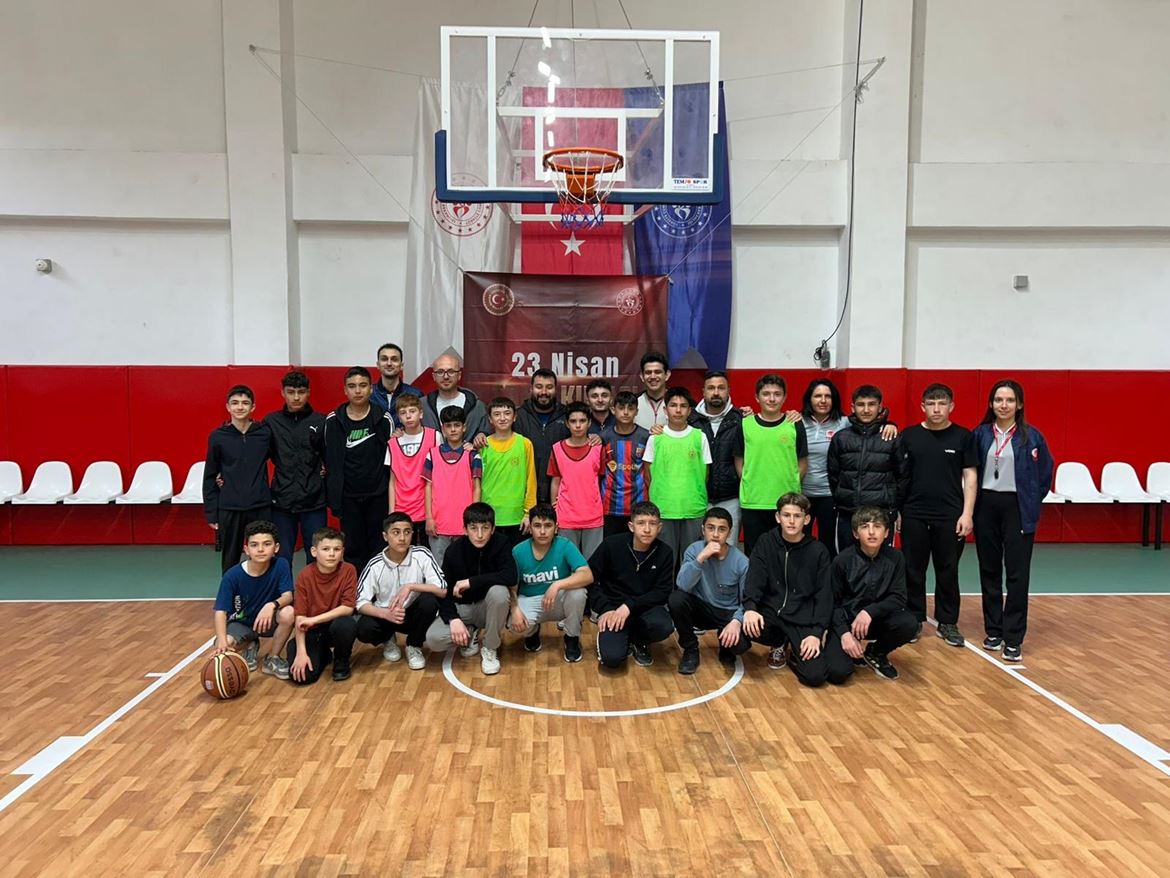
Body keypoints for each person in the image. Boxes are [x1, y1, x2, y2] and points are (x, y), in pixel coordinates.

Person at [972, 379, 1054, 663]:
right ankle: (994, 630)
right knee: (989, 570)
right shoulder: (980, 434)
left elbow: (1044, 475)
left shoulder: (1032, 437)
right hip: (986, 506)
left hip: (1017, 508)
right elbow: (969, 471)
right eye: (998, 400)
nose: (1003, 405)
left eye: (1009, 400)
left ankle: (1014, 637)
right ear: (991, 404)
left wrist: (1029, 500)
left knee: (1017, 574)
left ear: (1019, 404)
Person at [894, 383, 977, 647]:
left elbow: (970, 477)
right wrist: (898, 511)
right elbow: (899, 477)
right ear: (923, 406)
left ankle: (948, 622)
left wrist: (967, 513)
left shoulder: (963, 437)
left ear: (951, 406)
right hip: (914, 513)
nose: (937, 409)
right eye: (931, 404)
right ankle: (914, 619)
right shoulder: (908, 436)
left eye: (942, 404)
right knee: (912, 569)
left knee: (948, 570)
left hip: (950, 515)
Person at [742, 493, 851, 686]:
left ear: (807, 519)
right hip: (771, 612)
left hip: (802, 619)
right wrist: (750, 608)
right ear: (778, 517)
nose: (791, 521)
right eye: (786, 515)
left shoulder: (818, 551)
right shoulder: (766, 542)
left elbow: (824, 595)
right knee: (737, 637)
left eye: (797, 516)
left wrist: (816, 633)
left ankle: (795, 650)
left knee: (815, 676)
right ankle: (779, 642)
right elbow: (755, 578)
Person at [424, 502, 515, 676]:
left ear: (493, 529)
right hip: (462, 608)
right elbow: (443, 590)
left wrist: (471, 582)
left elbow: (510, 576)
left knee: (499, 592)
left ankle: (490, 647)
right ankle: (470, 631)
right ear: (465, 530)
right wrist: (453, 619)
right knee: (434, 639)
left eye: (485, 528)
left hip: (486, 608)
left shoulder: (501, 543)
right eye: (473, 528)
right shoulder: (453, 551)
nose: (479, 535)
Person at [831, 507, 918, 680]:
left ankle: (876, 652)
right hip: (848, 622)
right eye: (865, 527)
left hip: (876, 619)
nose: (871, 532)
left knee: (908, 623)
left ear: (886, 533)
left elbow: (899, 597)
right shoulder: (842, 561)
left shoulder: (896, 558)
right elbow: (832, 603)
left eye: (877, 526)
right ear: (855, 534)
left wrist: (869, 612)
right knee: (837, 672)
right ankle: (849, 647)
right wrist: (844, 633)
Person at [352, 512, 446, 671]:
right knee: (364, 628)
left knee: (430, 601)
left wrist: (411, 586)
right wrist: (386, 614)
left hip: (413, 614)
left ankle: (413, 645)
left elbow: (442, 589)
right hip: (386, 614)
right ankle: (388, 638)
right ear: (385, 536)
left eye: (407, 532)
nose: (402, 538)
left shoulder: (421, 554)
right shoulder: (375, 565)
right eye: (396, 532)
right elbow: (360, 603)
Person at [323, 367, 395, 568]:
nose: (357, 391)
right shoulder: (333, 421)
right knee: (353, 549)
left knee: (379, 546)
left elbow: (392, 457)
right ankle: (357, 585)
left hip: (378, 495)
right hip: (348, 497)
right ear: (345, 390)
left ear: (371, 389)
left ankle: (378, 584)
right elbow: (328, 458)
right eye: (352, 386)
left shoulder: (383, 419)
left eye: (362, 385)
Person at [589, 501, 675, 668]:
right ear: (631, 526)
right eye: (641, 523)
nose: (647, 529)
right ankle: (619, 638)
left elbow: (663, 591)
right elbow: (590, 578)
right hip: (613, 609)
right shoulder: (611, 545)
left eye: (652, 524)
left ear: (659, 527)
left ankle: (639, 640)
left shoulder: (665, 552)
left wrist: (629, 606)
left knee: (664, 625)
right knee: (612, 659)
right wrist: (604, 608)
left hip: (645, 609)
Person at [669, 506, 751, 674]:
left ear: (729, 533)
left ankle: (726, 643)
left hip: (727, 612)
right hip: (702, 609)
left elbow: (747, 599)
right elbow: (682, 585)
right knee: (676, 599)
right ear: (703, 530)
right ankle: (690, 649)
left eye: (722, 529)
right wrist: (701, 558)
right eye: (710, 528)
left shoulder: (741, 561)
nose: (715, 534)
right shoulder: (694, 550)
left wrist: (736, 621)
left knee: (740, 646)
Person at [734, 374, 808, 557]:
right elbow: (739, 461)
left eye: (777, 394)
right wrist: (750, 481)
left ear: (784, 397)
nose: (772, 399)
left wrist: (791, 483)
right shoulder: (745, 424)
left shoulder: (795, 424)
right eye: (766, 394)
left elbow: (802, 462)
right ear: (757, 397)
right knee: (755, 554)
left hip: (787, 503)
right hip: (753, 501)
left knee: (785, 554)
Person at [507, 503, 593, 663]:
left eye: (548, 526)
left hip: (558, 599)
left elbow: (587, 575)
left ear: (556, 528)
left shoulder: (565, 545)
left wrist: (557, 585)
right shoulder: (518, 551)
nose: (542, 531)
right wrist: (514, 609)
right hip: (530, 599)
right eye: (537, 526)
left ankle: (572, 638)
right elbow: (511, 586)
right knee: (514, 626)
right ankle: (532, 632)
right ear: (530, 528)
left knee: (578, 593)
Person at [211, 520, 295, 678]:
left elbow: (288, 596)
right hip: (241, 623)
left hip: (268, 621)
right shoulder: (232, 575)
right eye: (254, 545)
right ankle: (249, 644)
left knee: (289, 613)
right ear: (246, 549)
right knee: (223, 644)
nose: (261, 549)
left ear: (276, 547)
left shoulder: (281, 565)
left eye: (267, 544)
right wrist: (221, 641)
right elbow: (221, 611)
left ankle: (273, 658)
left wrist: (271, 605)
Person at [203, 384, 273, 573]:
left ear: (253, 407)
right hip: (229, 508)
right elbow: (210, 475)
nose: (240, 407)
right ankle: (230, 590)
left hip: (260, 506)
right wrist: (212, 512)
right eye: (235, 403)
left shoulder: (264, 434)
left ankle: (264, 590)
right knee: (230, 558)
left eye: (245, 403)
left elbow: (283, 460)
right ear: (228, 407)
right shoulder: (217, 437)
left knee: (263, 556)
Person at [827, 385, 904, 553]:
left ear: (880, 407)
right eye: (861, 405)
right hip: (848, 514)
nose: (866, 410)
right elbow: (833, 475)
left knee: (882, 563)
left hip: (881, 515)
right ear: (853, 407)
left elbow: (902, 477)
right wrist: (842, 498)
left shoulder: (892, 438)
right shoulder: (841, 438)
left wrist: (893, 507)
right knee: (846, 561)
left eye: (872, 404)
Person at [265, 371, 327, 568]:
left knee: (317, 553)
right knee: (282, 556)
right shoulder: (271, 422)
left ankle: (314, 589)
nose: (296, 397)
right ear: (283, 393)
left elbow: (332, 458)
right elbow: (255, 455)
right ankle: (283, 588)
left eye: (301, 392)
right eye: (291, 392)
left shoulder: (321, 421)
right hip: (282, 500)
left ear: (308, 392)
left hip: (314, 500)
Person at [642, 387, 711, 559]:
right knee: (665, 561)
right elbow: (648, 474)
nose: (678, 410)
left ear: (689, 410)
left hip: (693, 508)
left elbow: (705, 474)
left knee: (693, 560)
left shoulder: (699, 437)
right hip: (663, 508)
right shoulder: (655, 438)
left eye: (683, 406)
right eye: (673, 405)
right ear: (665, 410)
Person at [286, 526, 357, 684]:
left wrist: (315, 619)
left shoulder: (348, 570)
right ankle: (322, 654)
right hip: (311, 631)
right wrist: (301, 653)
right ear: (314, 551)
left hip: (334, 627)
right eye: (325, 549)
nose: (331, 554)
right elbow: (300, 618)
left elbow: (348, 608)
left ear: (342, 552)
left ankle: (341, 661)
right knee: (302, 677)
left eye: (336, 549)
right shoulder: (305, 575)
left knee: (347, 624)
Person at [689, 370, 746, 546]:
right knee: (698, 550)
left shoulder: (741, 420)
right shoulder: (690, 421)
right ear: (703, 391)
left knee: (727, 550)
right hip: (697, 498)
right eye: (711, 388)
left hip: (731, 498)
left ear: (728, 391)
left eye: (721, 388)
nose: (716, 392)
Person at [423, 406, 483, 567]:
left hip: (464, 525)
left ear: (464, 427)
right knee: (440, 569)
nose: (453, 429)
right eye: (448, 426)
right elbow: (427, 487)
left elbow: (477, 487)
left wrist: (473, 519)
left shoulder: (473, 455)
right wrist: (429, 518)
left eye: (457, 425)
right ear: (443, 429)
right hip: (438, 525)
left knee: (464, 568)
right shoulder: (432, 454)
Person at [548, 402, 605, 558]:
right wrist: (555, 510)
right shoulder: (557, 448)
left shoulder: (598, 448)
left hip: (593, 516)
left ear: (589, 423)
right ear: (567, 423)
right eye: (573, 421)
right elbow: (555, 481)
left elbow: (602, 480)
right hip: (566, 516)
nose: (578, 425)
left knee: (593, 563)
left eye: (582, 421)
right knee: (567, 562)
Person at [480, 397, 538, 545]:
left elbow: (531, 480)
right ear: (490, 419)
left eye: (507, 413)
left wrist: (529, 513)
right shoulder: (483, 445)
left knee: (516, 557)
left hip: (517, 516)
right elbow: (475, 483)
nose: (502, 418)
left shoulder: (525, 443)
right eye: (497, 414)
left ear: (515, 416)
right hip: (489, 516)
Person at [385, 393, 438, 549]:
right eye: (403, 413)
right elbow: (392, 481)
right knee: (404, 552)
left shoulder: (435, 437)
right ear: (399, 417)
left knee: (429, 552)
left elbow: (440, 474)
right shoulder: (393, 443)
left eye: (412, 411)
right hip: (402, 509)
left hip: (428, 508)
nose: (408, 416)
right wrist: (391, 512)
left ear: (421, 413)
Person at [512, 368, 570, 504]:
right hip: (523, 491)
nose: (544, 392)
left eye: (549, 387)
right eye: (539, 387)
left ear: (556, 389)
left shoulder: (567, 416)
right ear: (531, 389)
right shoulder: (517, 417)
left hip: (559, 493)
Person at [599, 390, 651, 537]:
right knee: (612, 546)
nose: (626, 412)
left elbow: (650, 472)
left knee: (636, 545)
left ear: (637, 411)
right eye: (621, 408)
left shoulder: (646, 437)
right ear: (613, 410)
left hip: (638, 505)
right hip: (610, 505)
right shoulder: (603, 437)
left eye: (631, 408)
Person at [420, 352, 488, 441]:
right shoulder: (422, 406)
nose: (446, 377)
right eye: (440, 372)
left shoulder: (477, 406)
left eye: (451, 372)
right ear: (434, 376)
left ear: (459, 375)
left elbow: (488, 433)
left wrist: (482, 434)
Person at [370, 342, 423, 428]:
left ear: (401, 365)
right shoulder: (369, 394)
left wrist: (403, 430)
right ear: (378, 365)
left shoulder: (416, 394)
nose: (389, 363)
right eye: (384, 359)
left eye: (394, 359)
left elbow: (421, 427)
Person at [634, 351, 671, 430]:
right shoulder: (633, 402)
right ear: (642, 376)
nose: (653, 376)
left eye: (658, 372)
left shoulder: (681, 403)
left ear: (667, 375)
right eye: (648, 372)